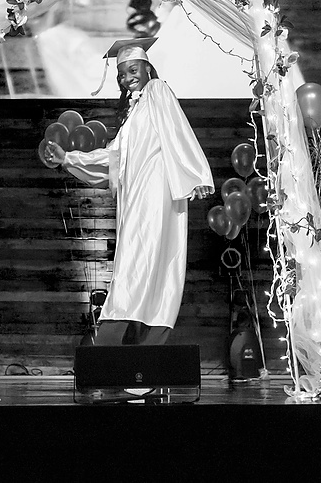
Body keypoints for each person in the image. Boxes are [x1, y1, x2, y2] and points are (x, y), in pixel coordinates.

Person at [44, 39, 214, 346]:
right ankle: (140, 338)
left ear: (147, 68)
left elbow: (178, 130)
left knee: (140, 257)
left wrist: (196, 173)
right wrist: (68, 158)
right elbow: (112, 156)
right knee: (142, 258)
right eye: (121, 74)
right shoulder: (134, 114)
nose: (126, 78)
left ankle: (121, 332)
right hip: (137, 196)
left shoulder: (157, 91)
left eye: (132, 69)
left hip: (156, 191)